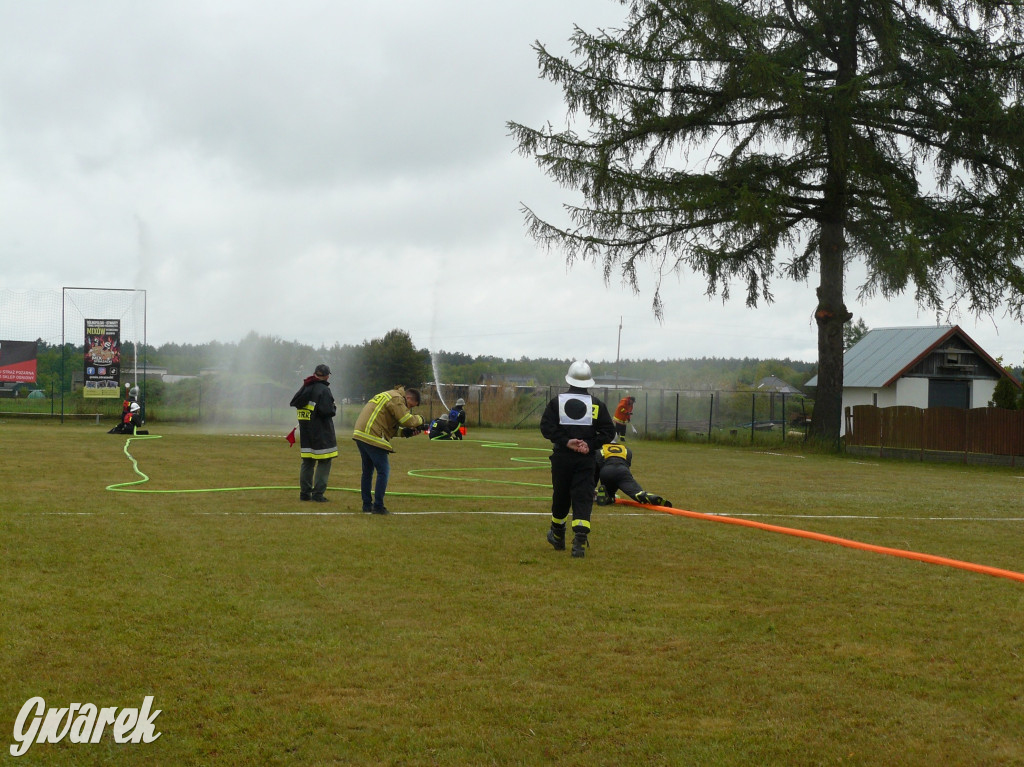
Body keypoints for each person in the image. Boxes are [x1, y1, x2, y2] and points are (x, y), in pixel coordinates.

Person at [541, 360, 615, 558]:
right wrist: (589, 444)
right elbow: (609, 431)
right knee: (583, 497)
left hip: (562, 458)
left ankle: (557, 534)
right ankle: (579, 543)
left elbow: (546, 428)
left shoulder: (557, 402)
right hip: (586, 460)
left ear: (569, 379)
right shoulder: (597, 405)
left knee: (561, 495)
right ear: (589, 382)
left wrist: (566, 441)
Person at [352, 385, 426, 514]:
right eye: (411, 406)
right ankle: (378, 506)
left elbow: (387, 427)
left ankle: (367, 505)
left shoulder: (388, 395)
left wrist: (405, 433)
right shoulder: (397, 399)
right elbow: (407, 420)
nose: (410, 409)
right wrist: (421, 420)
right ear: (408, 397)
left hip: (361, 433)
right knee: (383, 471)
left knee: (367, 471)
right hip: (371, 435)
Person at [289, 364, 338, 502]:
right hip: (321, 433)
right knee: (324, 461)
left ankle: (305, 493)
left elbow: (295, 402)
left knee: (307, 462)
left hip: (306, 432)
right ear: (327, 375)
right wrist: (334, 407)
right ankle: (318, 494)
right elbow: (327, 411)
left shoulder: (305, 387)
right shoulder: (323, 389)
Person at [594, 442, 671, 508]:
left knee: (609, 493)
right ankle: (644, 495)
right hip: (622, 470)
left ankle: (608, 497)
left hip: (606, 471)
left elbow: (596, 471)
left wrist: (592, 487)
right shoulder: (627, 450)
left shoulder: (599, 450)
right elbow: (627, 465)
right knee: (636, 492)